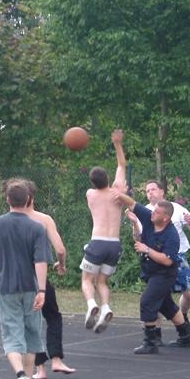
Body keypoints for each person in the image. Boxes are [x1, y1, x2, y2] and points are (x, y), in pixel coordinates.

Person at [0, 179, 49, 379]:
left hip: (5, 286)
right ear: (29, 200)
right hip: (30, 287)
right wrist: (42, 290)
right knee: (32, 335)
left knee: (12, 333)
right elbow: (40, 261)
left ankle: (21, 376)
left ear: (8, 199)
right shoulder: (37, 227)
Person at [115, 189, 190, 354]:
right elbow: (130, 203)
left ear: (165, 218)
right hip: (151, 271)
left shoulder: (172, 235)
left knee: (147, 301)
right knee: (167, 306)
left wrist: (147, 249)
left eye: (157, 212)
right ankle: (185, 335)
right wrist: (113, 192)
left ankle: (150, 342)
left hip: (165, 274)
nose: (152, 213)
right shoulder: (148, 217)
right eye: (153, 210)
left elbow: (167, 260)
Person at [20, 180, 76, 379]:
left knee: (29, 323)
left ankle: (40, 368)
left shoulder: (6, 220)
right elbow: (60, 249)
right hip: (40, 278)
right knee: (52, 316)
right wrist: (61, 264)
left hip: (19, 279)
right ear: (32, 198)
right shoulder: (43, 219)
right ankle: (56, 359)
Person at [80, 129, 127, 333]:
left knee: (87, 280)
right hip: (114, 244)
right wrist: (117, 143)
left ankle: (92, 305)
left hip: (97, 242)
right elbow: (121, 165)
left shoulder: (90, 194)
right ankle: (106, 307)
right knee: (103, 281)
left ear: (92, 183)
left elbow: (96, 186)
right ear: (108, 179)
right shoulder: (118, 193)